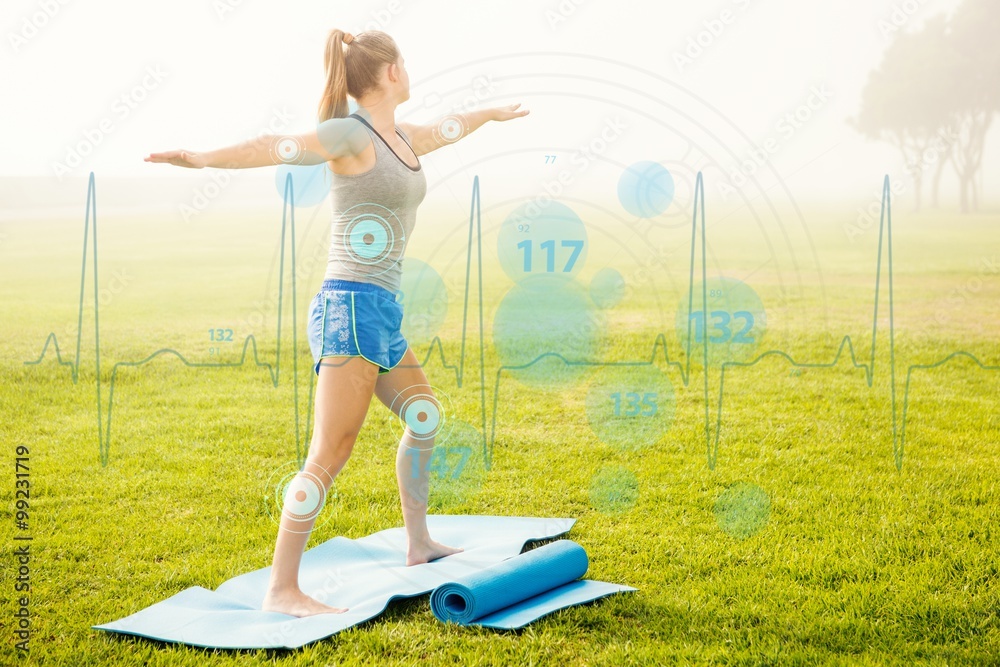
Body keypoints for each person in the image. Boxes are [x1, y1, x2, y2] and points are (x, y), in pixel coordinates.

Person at [144, 28, 529, 616]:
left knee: (423, 418)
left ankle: (419, 543)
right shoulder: (351, 134)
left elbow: (450, 127)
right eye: (406, 61)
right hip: (348, 307)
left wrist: (490, 113)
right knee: (329, 452)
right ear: (391, 71)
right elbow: (271, 145)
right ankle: (282, 587)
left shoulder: (400, 135)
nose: (410, 69)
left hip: (380, 309)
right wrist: (198, 157)